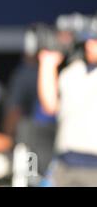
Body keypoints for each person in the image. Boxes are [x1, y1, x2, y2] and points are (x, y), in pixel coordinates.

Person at [38, 32, 97, 186]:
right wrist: (47, 64)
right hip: (66, 163)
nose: (91, 45)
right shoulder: (73, 72)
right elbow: (50, 105)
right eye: (90, 39)